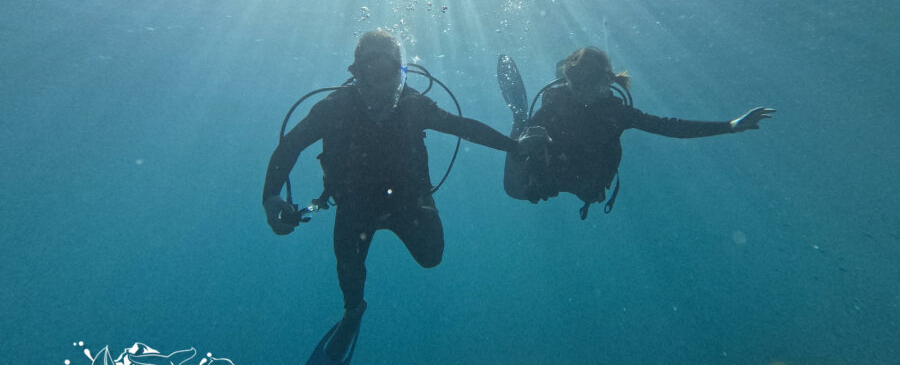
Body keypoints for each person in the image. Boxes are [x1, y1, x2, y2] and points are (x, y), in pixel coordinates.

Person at [263, 29, 547, 363]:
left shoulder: (414, 105)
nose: (379, 85)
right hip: (356, 205)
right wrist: (271, 196)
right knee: (349, 268)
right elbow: (290, 146)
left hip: (408, 202)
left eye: (387, 72)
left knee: (431, 257)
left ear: (401, 73)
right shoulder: (334, 108)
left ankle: (353, 308)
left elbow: (462, 126)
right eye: (371, 71)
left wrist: (514, 146)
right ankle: (353, 312)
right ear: (356, 73)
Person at [498, 47, 774, 219]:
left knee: (589, 190)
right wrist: (523, 143)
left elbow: (670, 127)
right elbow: (522, 151)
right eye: (575, 84)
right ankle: (518, 118)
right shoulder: (556, 102)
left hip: (588, 176)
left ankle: (521, 125)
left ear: (605, 83)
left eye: (588, 84)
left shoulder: (617, 113)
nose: (581, 93)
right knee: (515, 187)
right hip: (553, 167)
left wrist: (729, 126)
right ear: (568, 81)